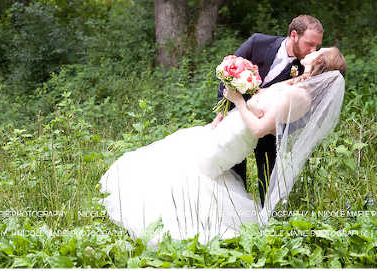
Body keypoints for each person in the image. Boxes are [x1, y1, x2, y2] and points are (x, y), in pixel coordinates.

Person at [99, 47, 346, 244]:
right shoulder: (298, 84)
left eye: (318, 51)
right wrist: (248, 97)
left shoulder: (299, 96)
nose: (312, 51)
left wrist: (238, 100)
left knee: (188, 167)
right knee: (181, 151)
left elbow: (261, 129)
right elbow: (267, 114)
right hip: (229, 128)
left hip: (234, 139)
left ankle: (166, 219)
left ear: (320, 63)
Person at [212, 15, 324, 205]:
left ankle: (266, 219)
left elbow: (308, 112)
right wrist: (220, 113)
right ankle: (236, 210)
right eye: (310, 44)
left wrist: (278, 128)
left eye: (317, 46)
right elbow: (228, 74)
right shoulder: (258, 42)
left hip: (269, 128)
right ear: (294, 35)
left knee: (268, 176)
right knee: (232, 171)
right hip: (235, 119)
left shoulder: (307, 68)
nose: (313, 51)